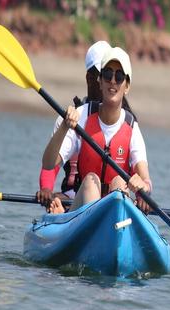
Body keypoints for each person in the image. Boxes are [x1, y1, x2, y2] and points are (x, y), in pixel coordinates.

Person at [43, 46, 152, 214]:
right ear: (100, 81)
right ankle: (70, 217)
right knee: (90, 181)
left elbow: (146, 181)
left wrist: (143, 187)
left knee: (118, 183)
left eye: (119, 76)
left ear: (127, 85)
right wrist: (65, 126)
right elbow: (48, 164)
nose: (113, 81)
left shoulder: (131, 127)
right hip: (84, 204)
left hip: (112, 210)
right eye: (107, 74)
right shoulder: (81, 116)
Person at [37, 40, 110, 208]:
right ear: (89, 78)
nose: (106, 81)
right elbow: (50, 167)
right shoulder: (70, 119)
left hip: (112, 200)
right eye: (101, 75)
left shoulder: (126, 121)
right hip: (72, 199)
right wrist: (47, 189)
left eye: (110, 75)